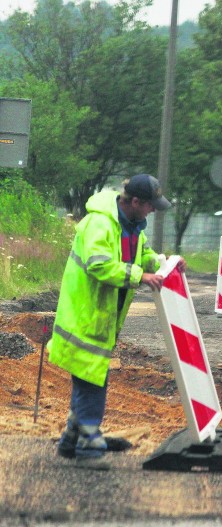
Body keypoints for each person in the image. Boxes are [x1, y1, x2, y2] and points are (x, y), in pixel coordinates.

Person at [49, 174, 186, 469]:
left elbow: (142, 254)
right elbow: (99, 265)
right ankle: (88, 448)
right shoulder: (100, 224)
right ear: (135, 202)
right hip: (84, 320)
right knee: (92, 384)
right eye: (150, 206)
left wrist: (164, 263)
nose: (153, 211)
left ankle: (71, 441)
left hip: (100, 320)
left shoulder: (132, 225)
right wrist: (141, 276)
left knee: (89, 381)